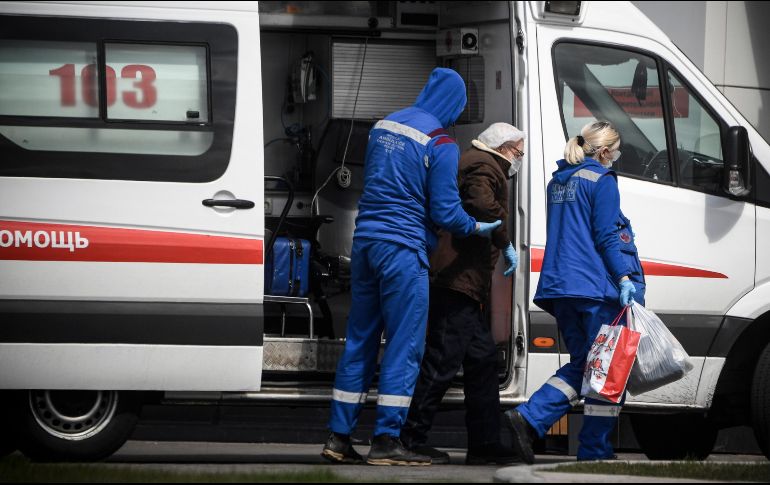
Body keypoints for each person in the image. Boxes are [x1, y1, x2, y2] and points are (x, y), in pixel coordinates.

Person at [322, 68, 502, 466]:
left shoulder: (384, 125)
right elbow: (444, 210)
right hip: (402, 251)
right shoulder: (441, 142)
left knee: (361, 342)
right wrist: (476, 226)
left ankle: (338, 437)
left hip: (365, 242)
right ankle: (387, 439)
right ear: (454, 103)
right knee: (405, 345)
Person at [505, 120, 646, 463]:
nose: (616, 157)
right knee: (608, 369)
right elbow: (606, 236)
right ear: (603, 152)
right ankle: (591, 448)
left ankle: (529, 419)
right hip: (596, 290)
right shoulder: (601, 180)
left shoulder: (560, 180)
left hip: (562, 288)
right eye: (615, 151)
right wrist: (625, 277)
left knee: (585, 364)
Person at [400, 123, 526, 465]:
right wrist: (505, 241)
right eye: (518, 151)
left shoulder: (480, 162)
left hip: (466, 283)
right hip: (456, 280)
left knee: (483, 363)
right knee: (441, 362)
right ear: (502, 148)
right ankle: (409, 439)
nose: (520, 159)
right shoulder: (484, 166)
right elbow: (481, 203)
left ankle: (484, 444)